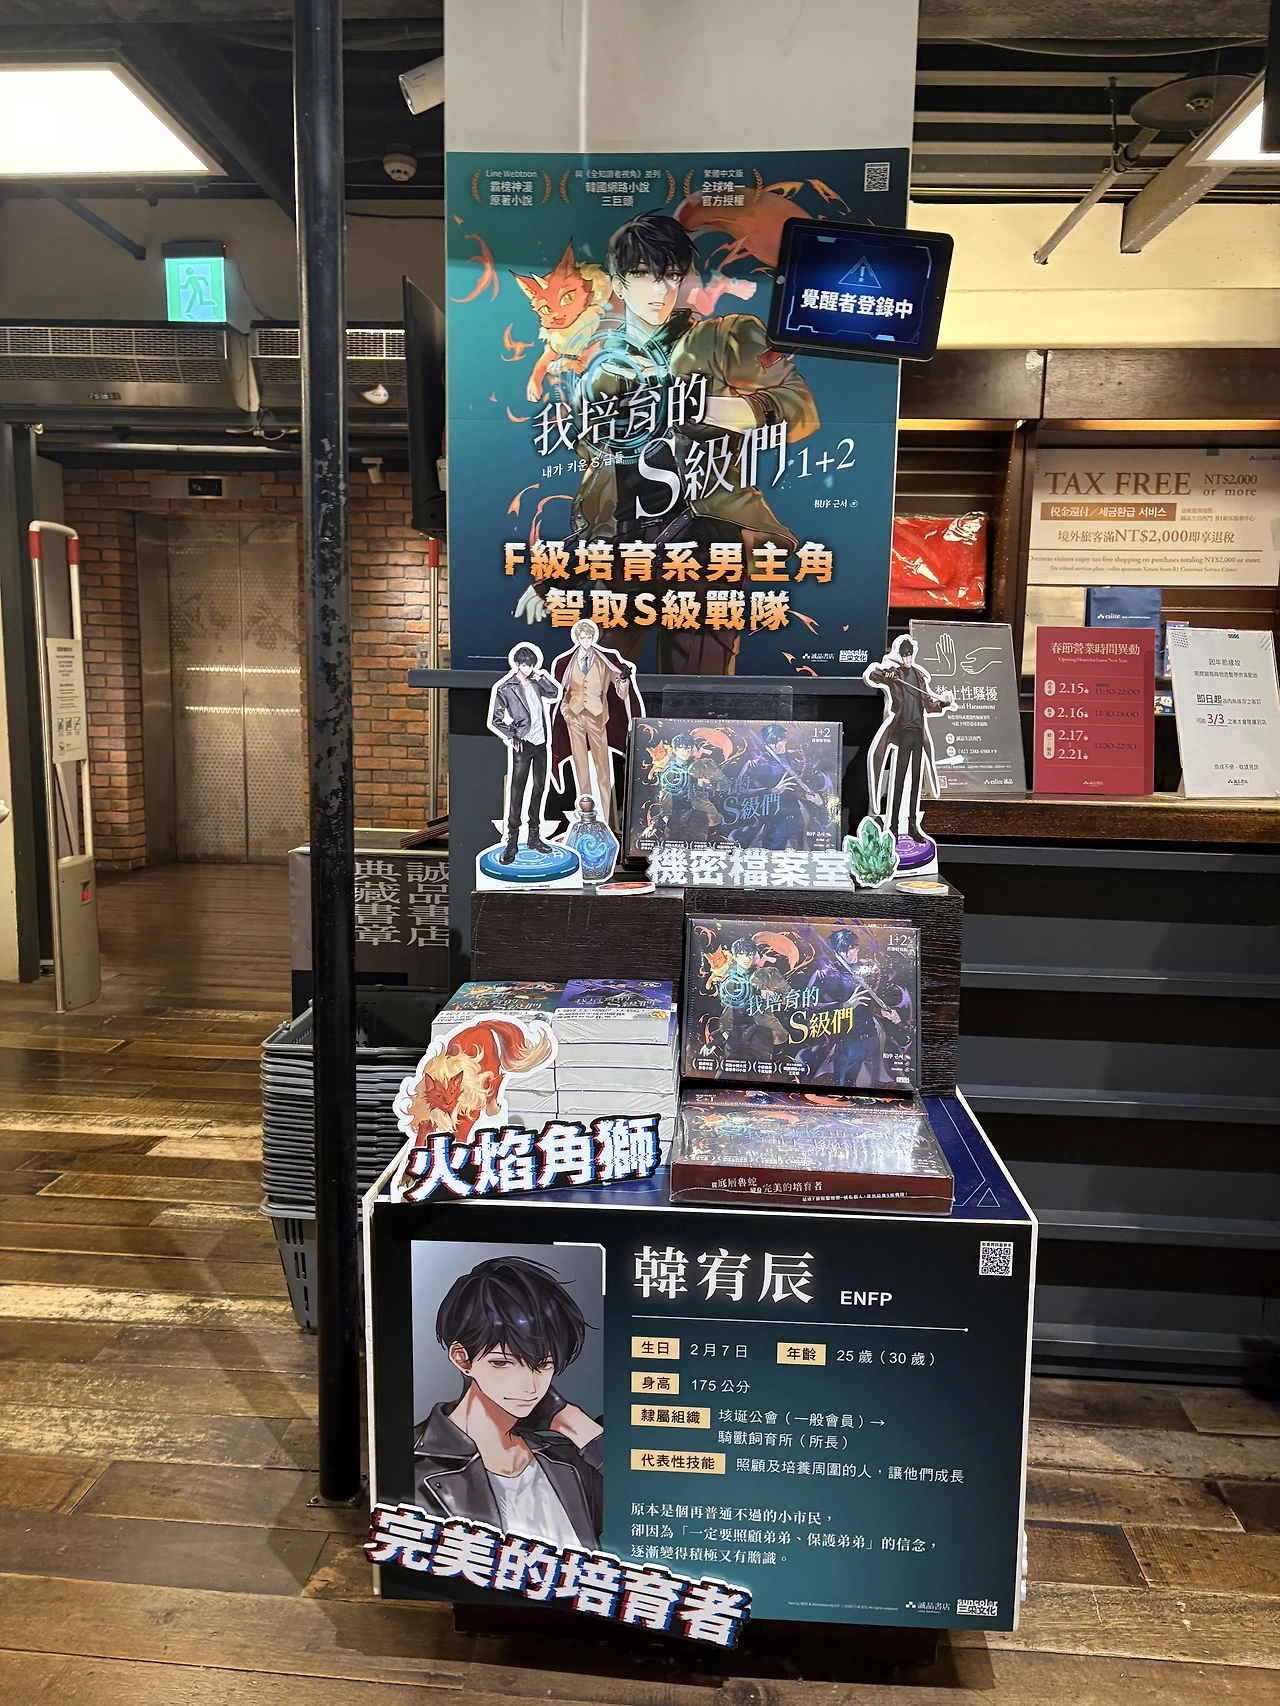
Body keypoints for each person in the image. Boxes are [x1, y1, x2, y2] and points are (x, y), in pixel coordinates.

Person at [569, 211, 819, 673]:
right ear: (619, 283)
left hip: (706, 538)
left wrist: (703, 408)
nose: (659, 289)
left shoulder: (723, 338)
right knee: (597, 687)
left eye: (670, 275)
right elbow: (596, 469)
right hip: (627, 545)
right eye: (643, 274)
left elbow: (798, 407)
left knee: (698, 694)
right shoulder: (603, 372)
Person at [413, 1256, 603, 1549]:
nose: (530, 1386)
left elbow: (648, 1506)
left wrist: (576, 1425)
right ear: (462, 1359)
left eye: (543, 1364)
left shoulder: (568, 1459)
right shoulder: (415, 1465)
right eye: (503, 1363)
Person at [864, 635, 954, 845]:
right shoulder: (895, 673)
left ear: (913, 655)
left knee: (915, 783)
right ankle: (894, 827)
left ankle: (912, 826)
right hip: (903, 733)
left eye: (909, 655)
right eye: (904, 655)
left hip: (918, 733)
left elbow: (929, 705)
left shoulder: (919, 676)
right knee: (898, 781)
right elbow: (873, 675)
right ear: (900, 655)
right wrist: (886, 671)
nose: (907, 659)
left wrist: (943, 703)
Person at [550, 618, 637, 830]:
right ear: (577, 638)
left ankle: (606, 821)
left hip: (597, 717)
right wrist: (566, 711)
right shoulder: (567, 662)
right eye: (582, 637)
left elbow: (620, 691)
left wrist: (623, 678)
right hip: (575, 717)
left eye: (589, 637)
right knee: (581, 770)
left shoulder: (604, 660)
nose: (586, 641)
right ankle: (585, 819)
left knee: (603, 771)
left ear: (593, 637)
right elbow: (561, 691)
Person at [487, 644, 561, 863]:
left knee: (539, 788)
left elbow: (555, 693)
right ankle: (512, 840)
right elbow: (496, 719)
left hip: (541, 743)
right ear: (518, 664)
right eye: (525, 665)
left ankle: (534, 836)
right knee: (517, 790)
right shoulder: (506, 688)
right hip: (524, 743)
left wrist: (542, 677)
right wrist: (513, 736)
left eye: (531, 665)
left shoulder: (537, 683)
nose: (528, 669)